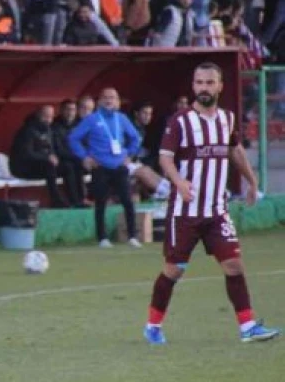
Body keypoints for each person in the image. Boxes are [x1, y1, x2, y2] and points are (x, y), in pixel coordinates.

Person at [144, 63, 279, 345]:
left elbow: (235, 150)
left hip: (217, 211)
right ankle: (153, 325)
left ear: (220, 86)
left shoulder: (227, 119)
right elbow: (165, 158)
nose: (204, 88)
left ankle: (247, 327)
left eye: (209, 83)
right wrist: (179, 183)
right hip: (185, 212)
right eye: (199, 83)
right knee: (174, 269)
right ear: (193, 86)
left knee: (234, 265)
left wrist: (252, 182)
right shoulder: (180, 121)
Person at [69, 87, 143, 248]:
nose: (109, 100)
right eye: (105, 97)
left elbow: (136, 138)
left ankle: (132, 236)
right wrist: (84, 157)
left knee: (127, 201)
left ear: (117, 101)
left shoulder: (122, 118)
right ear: (99, 101)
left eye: (113, 97)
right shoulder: (92, 119)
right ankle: (102, 238)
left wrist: (129, 155)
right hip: (100, 166)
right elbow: (73, 138)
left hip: (119, 165)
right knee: (101, 202)